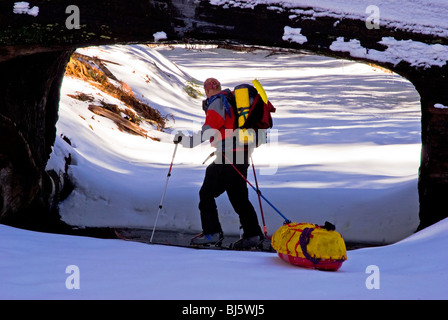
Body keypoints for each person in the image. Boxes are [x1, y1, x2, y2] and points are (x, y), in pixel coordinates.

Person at [174, 78, 264, 249]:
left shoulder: (217, 103)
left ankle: (212, 233)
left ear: (207, 91)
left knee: (206, 193)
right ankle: (253, 235)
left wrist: (186, 142)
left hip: (227, 157)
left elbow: (209, 131)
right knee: (239, 198)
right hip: (242, 155)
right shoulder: (231, 100)